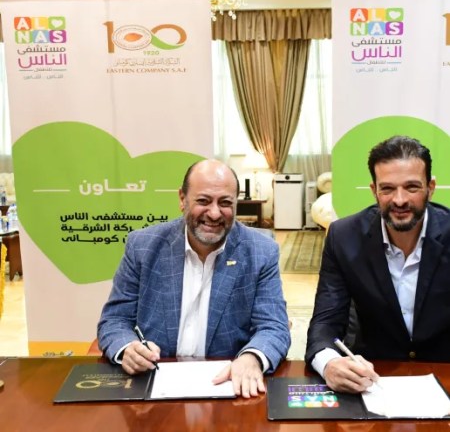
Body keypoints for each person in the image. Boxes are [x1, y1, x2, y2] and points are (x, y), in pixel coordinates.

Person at [97, 159, 291, 398]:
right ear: (182, 199)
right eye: (203, 201)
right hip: (154, 384)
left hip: (228, 385)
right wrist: (128, 348)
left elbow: (274, 326)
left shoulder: (261, 251)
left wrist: (252, 358)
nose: (214, 213)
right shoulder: (143, 246)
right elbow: (115, 320)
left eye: (225, 203)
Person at [305, 135, 450, 393]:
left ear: (431, 187)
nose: (400, 200)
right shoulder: (343, 237)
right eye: (387, 189)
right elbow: (325, 323)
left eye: (412, 187)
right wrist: (329, 363)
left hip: (444, 374)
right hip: (372, 381)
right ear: (374, 191)